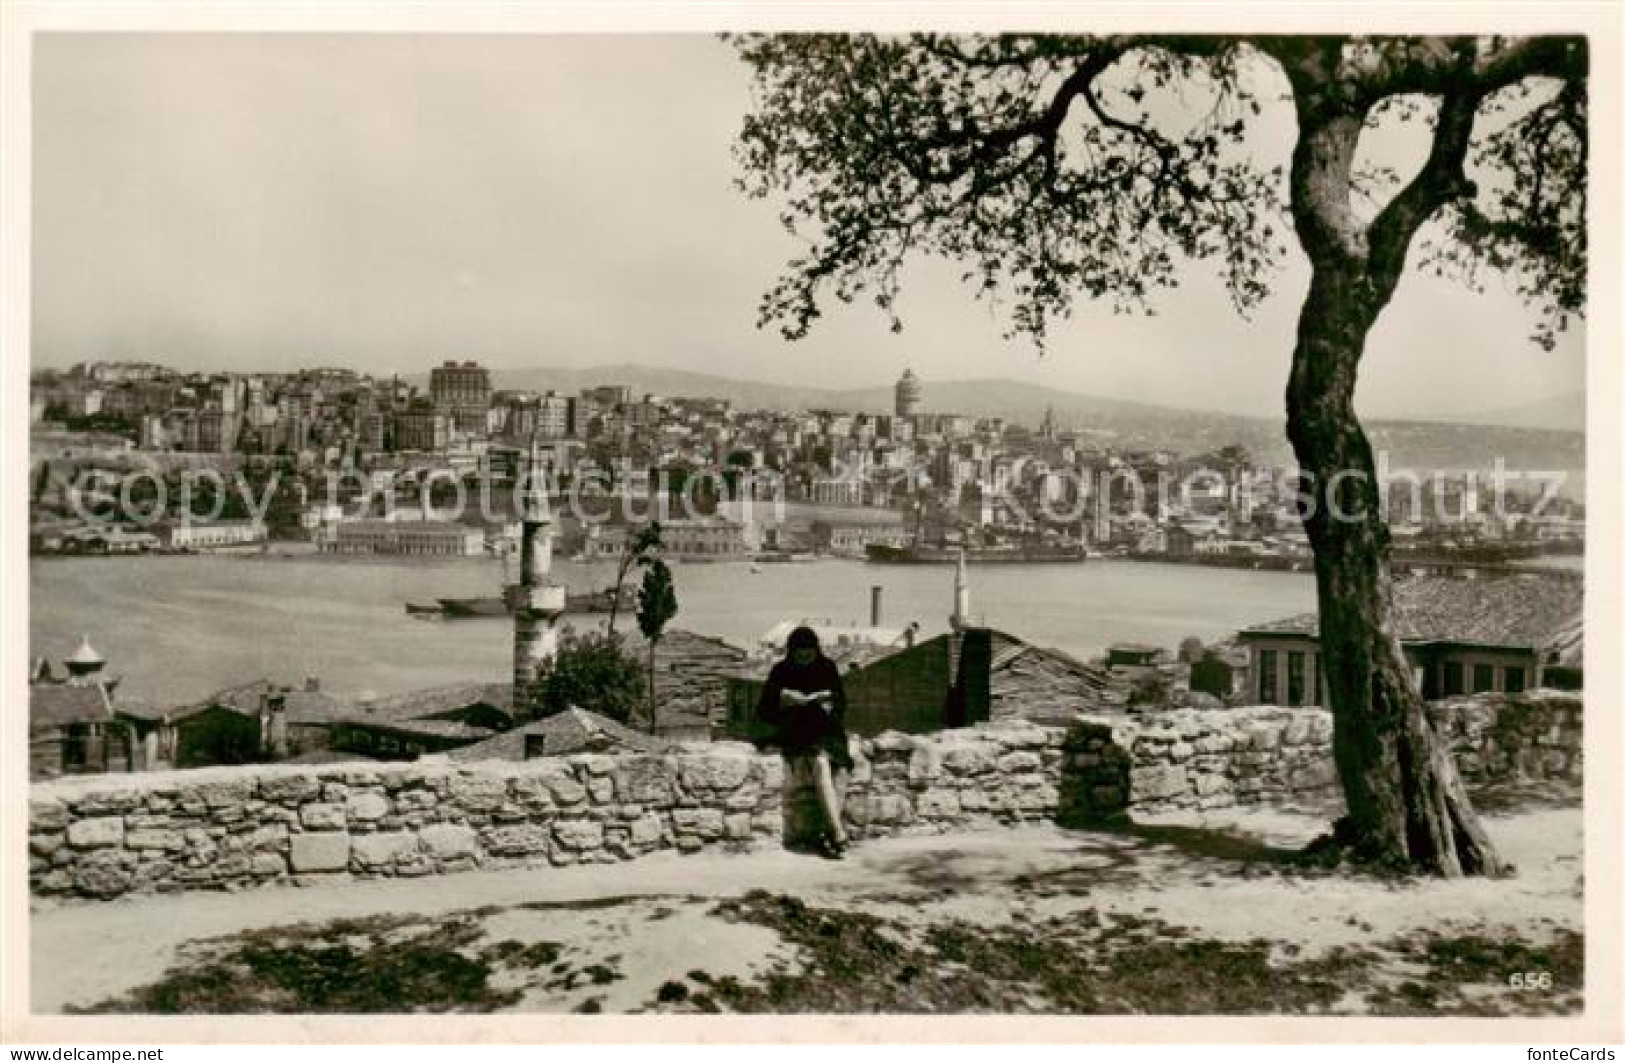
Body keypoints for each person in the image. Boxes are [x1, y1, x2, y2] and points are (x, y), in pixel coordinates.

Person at [756, 626, 854, 859]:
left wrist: (828, 704)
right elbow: (764, 711)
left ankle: (828, 833)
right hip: (796, 731)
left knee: (842, 769)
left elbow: (841, 702)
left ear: (816, 651)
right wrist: (785, 700)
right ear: (791, 653)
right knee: (820, 763)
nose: (805, 660)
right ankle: (838, 833)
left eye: (809, 655)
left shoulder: (827, 667)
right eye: (800, 656)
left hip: (826, 729)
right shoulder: (780, 671)